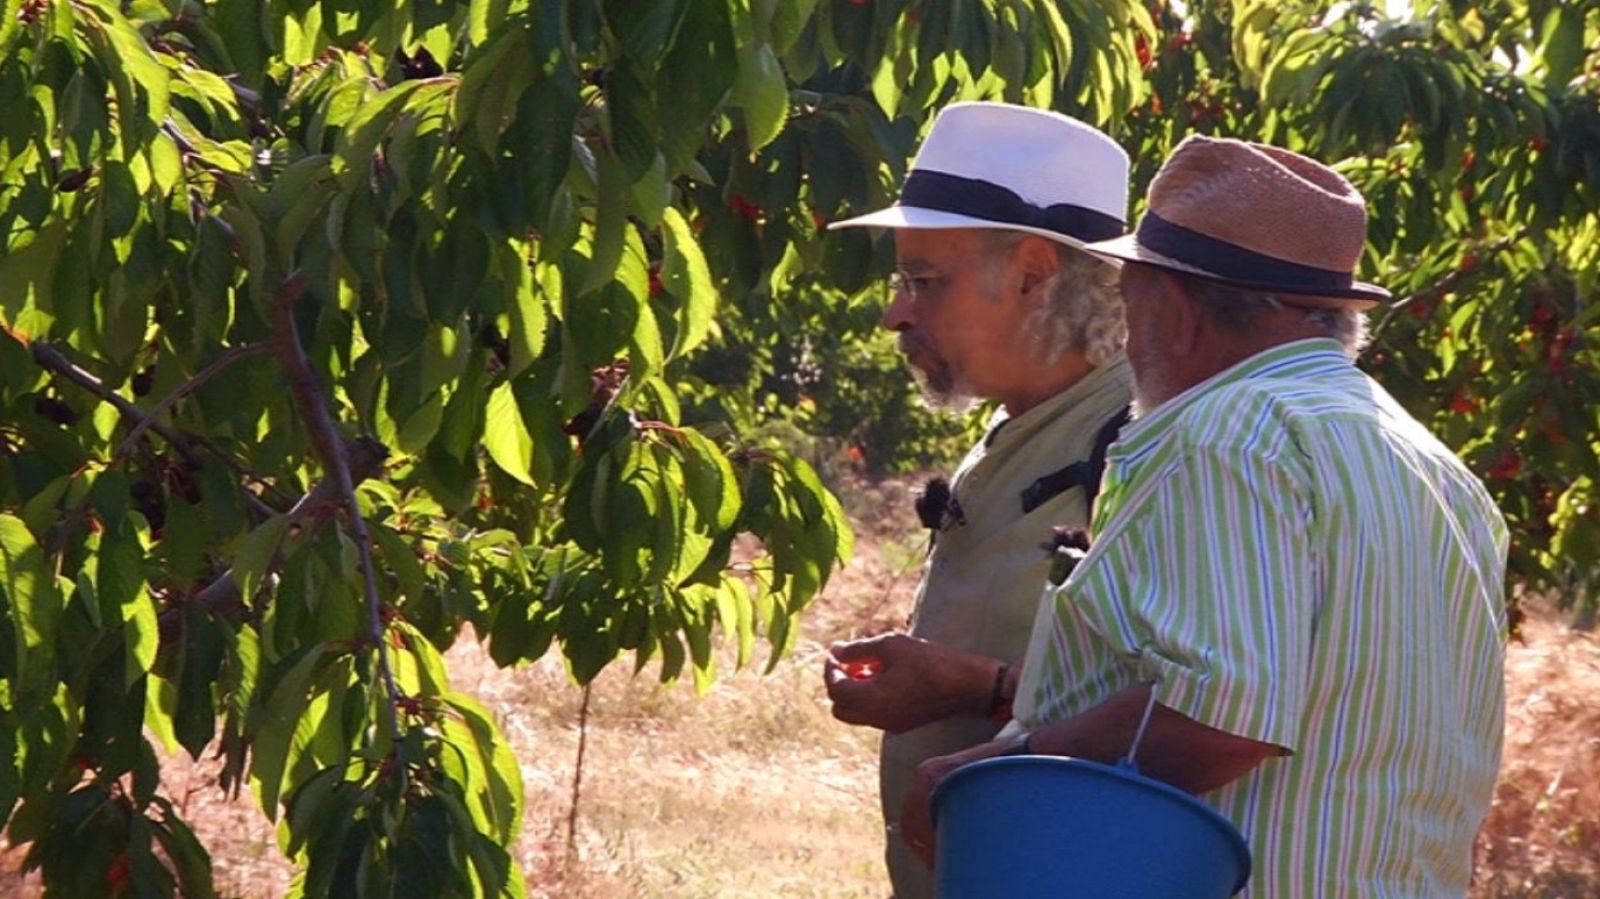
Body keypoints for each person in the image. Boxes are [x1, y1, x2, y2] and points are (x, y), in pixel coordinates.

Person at [898, 135, 1510, 897]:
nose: (1125, 329)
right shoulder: (1436, 466)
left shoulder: (1224, 434)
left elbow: (1219, 718)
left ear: (1177, 309)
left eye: (1130, 297)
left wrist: (994, 767)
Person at [820, 101, 1134, 898]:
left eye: (923, 281)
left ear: (1032, 274)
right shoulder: (1015, 432)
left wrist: (976, 688)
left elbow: (1198, 705)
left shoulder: (1144, 448)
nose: (895, 312)